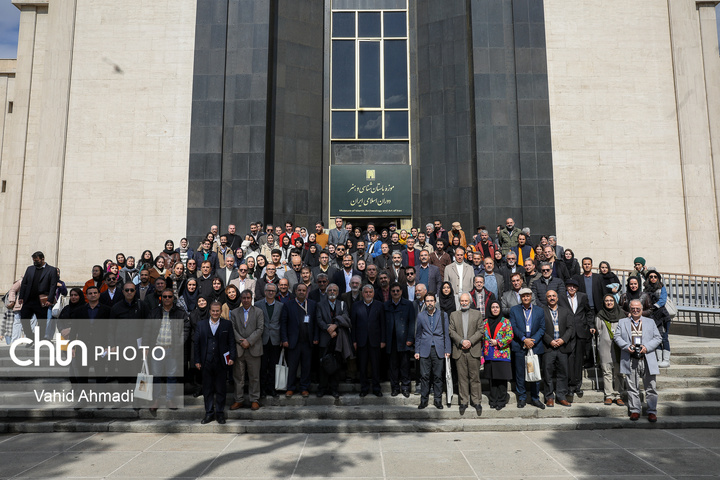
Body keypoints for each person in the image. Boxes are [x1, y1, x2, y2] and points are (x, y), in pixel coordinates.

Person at [614, 299, 662, 422]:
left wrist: (647, 347)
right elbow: (617, 337)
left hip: (646, 357)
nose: (635, 310)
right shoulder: (622, 322)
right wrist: (626, 346)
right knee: (632, 386)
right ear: (630, 310)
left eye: (638, 309)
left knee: (651, 387)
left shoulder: (650, 322)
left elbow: (658, 338)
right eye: (633, 309)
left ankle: (651, 411)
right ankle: (635, 410)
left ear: (642, 309)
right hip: (630, 357)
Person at [142, 289, 190, 411]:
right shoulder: (154, 312)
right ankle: (156, 400)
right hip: (156, 349)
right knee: (156, 375)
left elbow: (186, 328)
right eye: (165, 297)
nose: (167, 299)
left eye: (169, 296)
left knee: (172, 375)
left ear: (173, 298)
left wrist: (179, 343)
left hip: (172, 349)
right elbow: (147, 330)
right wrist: (146, 346)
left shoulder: (180, 312)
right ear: (161, 298)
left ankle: (170, 399)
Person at [195, 301, 236, 424]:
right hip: (206, 361)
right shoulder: (201, 325)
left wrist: (232, 358)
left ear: (220, 311)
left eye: (217, 310)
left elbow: (232, 343)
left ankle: (219, 413)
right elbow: (196, 344)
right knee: (207, 389)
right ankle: (209, 413)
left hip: (221, 362)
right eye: (213, 311)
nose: (215, 313)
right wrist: (197, 360)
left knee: (220, 389)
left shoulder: (227, 324)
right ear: (209, 311)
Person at [509, 288, 546, 409]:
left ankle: (535, 398)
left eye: (527, 296)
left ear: (531, 296)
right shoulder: (514, 310)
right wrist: (524, 339)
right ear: (520, 297)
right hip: (520, 345)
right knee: (520, 373)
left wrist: (532, 341)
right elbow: (513, 326)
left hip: (535, 346)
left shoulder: (539, 311)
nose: (525, 298)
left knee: (535, 372)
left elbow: (542, 328)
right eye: (523, 296)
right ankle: (522, 397)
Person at [449, 293, 484, 415]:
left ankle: (476, 401)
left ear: (470, 301)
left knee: (475, 378)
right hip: (459, 350)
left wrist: (470, 341)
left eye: (466, 300)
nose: (464, 302)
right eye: (462, 301)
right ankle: (463, 402)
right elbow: (451, 331)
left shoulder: (477, 314)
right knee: (462, 378)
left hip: (473, 350)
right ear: (459, 302)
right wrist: (461, 341)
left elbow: (481, 330)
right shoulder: (454, 315)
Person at [414, 292, 450, 409]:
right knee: (424, 376)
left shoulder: (443, 315)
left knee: (438, 376)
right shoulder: (421, 316)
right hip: (425, 349)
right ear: (425, 302)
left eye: (431, 301)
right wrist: (417, 351)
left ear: (435, 302)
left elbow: (446, 334)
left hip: (438, 349)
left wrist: (447, 349)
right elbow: (418, 334)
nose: (429, 303)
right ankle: (424, 400)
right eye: (427, 301)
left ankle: (437, 400)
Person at [229, 290, 264, 411]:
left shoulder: (258, 312)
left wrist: (249, 341)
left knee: (254, 377)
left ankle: (254, 399)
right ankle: (238, 400)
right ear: (241, 299)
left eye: (248, 298)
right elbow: (232, 329)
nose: (246, 300)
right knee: (239, 377)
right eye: (243, 298)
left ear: (252, 298)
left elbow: (260, 329)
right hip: (239, 349)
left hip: (254, 348)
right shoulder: (234, 313)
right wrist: (241, 341)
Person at [559, 278, 593, 399]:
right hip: (567, 332)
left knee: (579, 359)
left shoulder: (583, 296)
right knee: (570, 358)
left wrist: (591, 325)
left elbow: (588, 312)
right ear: (566, 287)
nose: (572, 288)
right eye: (569, 286)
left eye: (574, 286)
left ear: (577, 288)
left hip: (581, 332)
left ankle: (578, 385)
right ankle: (570, 385)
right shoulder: (561, 297)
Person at [281, 283, 317, 397]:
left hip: (308, 341)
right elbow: (283, 324)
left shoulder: (312, 304)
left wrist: (316, 337)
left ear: (307, 292)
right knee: (292, 366)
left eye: (303, 290)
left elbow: (316, 323)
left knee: (306, 366)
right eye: (299, 290)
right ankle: (290, 388)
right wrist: (284, 339)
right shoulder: (288, 305)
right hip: (293, 341)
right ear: (295, 291)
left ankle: (304, 388)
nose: (301, 292)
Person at [351, 285, 386, 397]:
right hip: (361, 341)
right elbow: (353, 325)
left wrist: (383, 340)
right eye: (366, 292)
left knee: (376, 366)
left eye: (370, 292)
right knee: (362, 366)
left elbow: (383, 324)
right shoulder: (356, 306)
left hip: (375, 341)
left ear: (373, 293)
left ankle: (376, 388)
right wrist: (354, 341)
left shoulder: (379, 305)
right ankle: (364, 388)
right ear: (362, 293)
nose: (368, 294)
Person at [541, 290, 574, 407]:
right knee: (547, 372)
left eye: (554, 296)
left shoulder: (565, 311)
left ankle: (561, 396)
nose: (551, 298)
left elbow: (570, 328)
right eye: (549, 296)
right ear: (546, 298)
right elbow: (540, 329)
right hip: (548, 347)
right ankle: (549, 396)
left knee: (563, 373)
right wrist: (549, 340)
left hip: (562, 347)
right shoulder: (542, 311)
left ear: (558, 298)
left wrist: (563, 339)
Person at [18, 251, 59, 342]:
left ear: (42, 259)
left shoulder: (51, 270)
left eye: (36, 260)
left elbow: (53, 285)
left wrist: (50, 299)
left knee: (42, 322)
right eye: (33, 260)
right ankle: (31, 337)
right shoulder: (30, 269)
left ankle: (39, 340)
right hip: (29, 299)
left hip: (41, 301)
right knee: (24, 319)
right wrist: (21, 297)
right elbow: (24, 283)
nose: (34, 262)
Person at [315, 283, 348, 398]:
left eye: (334, 290)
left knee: (336, 365)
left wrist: (335, 326)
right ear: (326, 292)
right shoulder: (320, 304)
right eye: (330, 290)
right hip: (325, 338)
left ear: (338, 293)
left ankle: (334, 389)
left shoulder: (342, 304)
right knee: (323, 364)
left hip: (338, 339)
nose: (332, 292)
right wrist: (329, 329)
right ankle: (322, 388)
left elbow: (345, 317)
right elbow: (319, 320)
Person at [593, 294, 626, 406]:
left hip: (618, 347)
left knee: (619, 372)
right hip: (605, 347)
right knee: (607, 370)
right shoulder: (600, 315)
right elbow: (598, 330)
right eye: (606, 301)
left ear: (614, 302)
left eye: (611, 300)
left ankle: (618, 395)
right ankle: (609, 395)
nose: (609, 303)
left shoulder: (621, 315)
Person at [384, 282, 416, 398]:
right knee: (393, 366)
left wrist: (410, 338)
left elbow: (412, 323)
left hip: (404, 340)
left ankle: (406, 388)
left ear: (401, 292)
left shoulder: (408, 304)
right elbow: (383, 324)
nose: (396, 293)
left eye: (398, 291)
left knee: (405, 365)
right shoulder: (386, 305)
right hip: (391, 340)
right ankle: (395, 388)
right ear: (390, 292)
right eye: (393, 291)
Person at [483, 300, 513, 410]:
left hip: (502, 354)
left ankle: (501, 400)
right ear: (489, 309)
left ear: (500, 309)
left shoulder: (506, 322)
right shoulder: (485, 322)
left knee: (501, 379)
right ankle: (493, 400)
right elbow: (483, 338)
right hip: (489, 354)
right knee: (492, 380)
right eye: (493, 307)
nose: (495, 309)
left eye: (497, 307)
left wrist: (498, 342)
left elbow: (510, 336)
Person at [256, 283, 284, 398]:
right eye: (268, 290)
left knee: (273, 366)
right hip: (262, 339)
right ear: (265, 291)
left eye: (273, 291)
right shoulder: (258, 305)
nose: (271, 292)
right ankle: (262, 390)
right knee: (262, 367)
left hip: (275, 340)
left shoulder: (281, 306)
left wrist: (283, 338)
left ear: (276, 292)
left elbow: (282, 323)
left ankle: (272, 389)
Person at [644, 269, 671, 368]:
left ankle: (666, 360)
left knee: (664, 337)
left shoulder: (661, 288)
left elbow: (663, 300)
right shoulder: (646, 289)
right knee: (656, 337)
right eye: (651, 276)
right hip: (652, 317)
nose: (653, 278)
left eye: (655, 277)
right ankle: (659, 359)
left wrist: (654, 306)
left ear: (658, 278)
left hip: (662, 316)